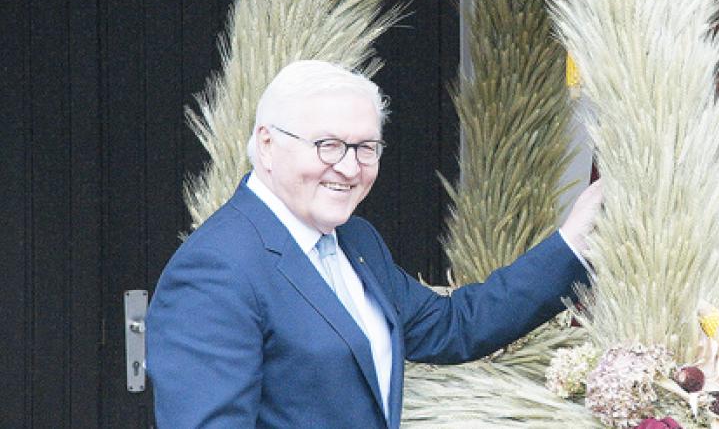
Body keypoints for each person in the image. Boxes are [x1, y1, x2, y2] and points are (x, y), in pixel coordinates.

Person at [146, 60, 603, 428]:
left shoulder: (354, 239)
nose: (349, 168)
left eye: (366, 147)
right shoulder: (214, 270)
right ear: (267, 144)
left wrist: (573, 241)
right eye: (328, 145)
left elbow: (455, 326)